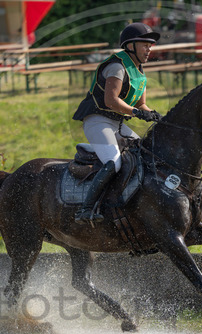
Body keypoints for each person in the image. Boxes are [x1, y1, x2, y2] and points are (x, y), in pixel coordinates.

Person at [72, 22, 162, 224]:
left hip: (116, 124)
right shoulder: (117, 66)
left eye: (150, 45)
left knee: (145, 154)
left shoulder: (139, 72)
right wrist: (137, 113)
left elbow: (141, 104)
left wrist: (155, 115)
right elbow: (111, 101)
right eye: (145, 45)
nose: (149, 49)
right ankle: (86, 209)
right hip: (97, 121)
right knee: (113, 162)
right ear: (130, 45)